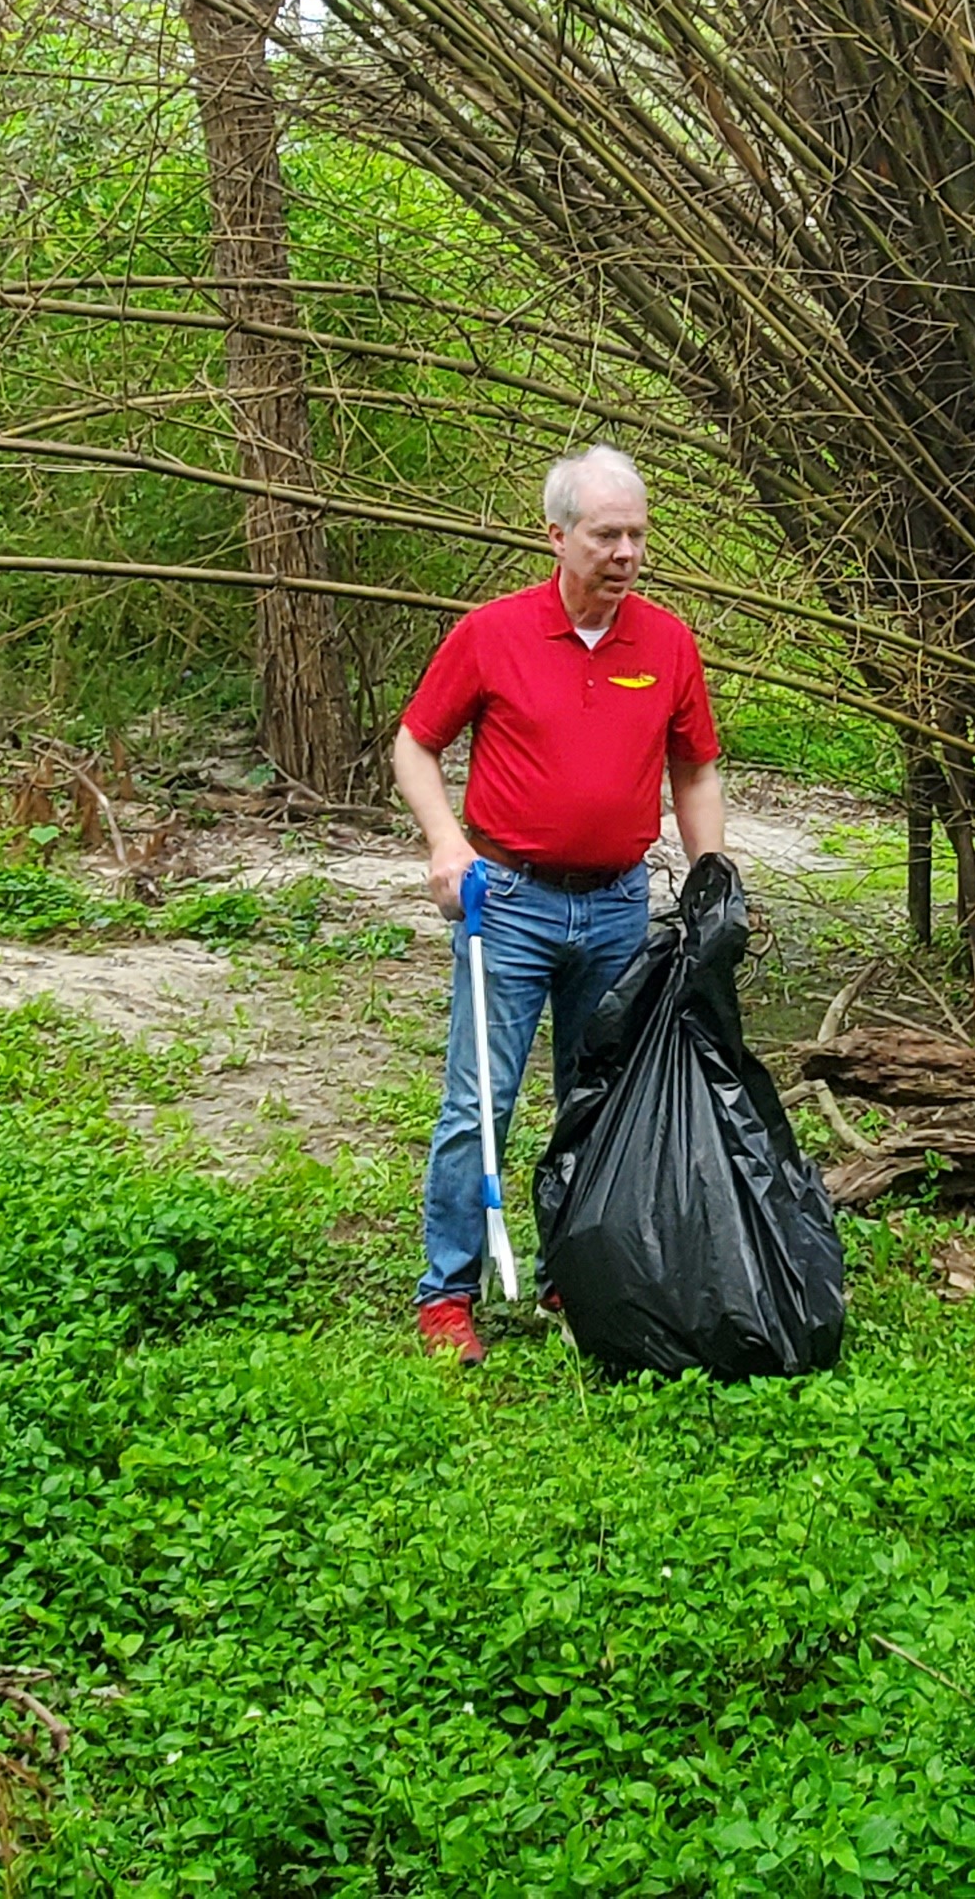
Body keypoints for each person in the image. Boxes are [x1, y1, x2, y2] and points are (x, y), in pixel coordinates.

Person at [390, 446, 728, 1365]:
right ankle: (447, 1296)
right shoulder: (494, 634)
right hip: (508, 904)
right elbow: (415, 747)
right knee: (479, 1104)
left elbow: (695, 767)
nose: (625, 553)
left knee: (599, 1103)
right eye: (606, 534)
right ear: (557, 535)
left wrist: (711, 880)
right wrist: (444, 842)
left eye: (637, 535)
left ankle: (573, 1277)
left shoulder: (665, 642)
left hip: (618, 906)